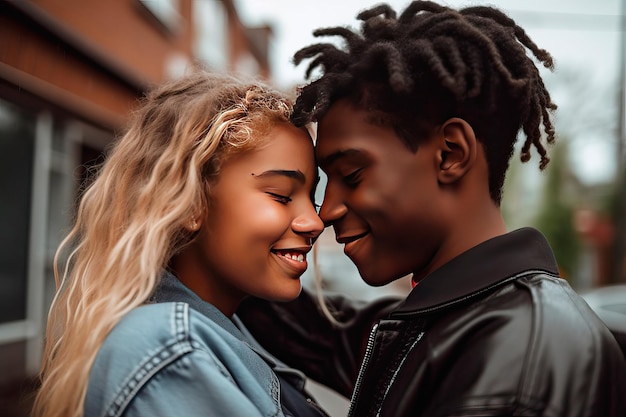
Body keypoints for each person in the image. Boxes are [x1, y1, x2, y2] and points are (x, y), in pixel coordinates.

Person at [237, 2, 626, 416]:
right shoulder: (446, 319)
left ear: (450, 154)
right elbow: (308, 328)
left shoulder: (519, 363)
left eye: (351, 175)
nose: (325, 211)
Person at [31, 72, 330, 417]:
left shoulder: (217, 331)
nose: (314, 222)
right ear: (190, 203)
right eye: (281, 195)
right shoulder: (171, 349)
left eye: (311, 197)